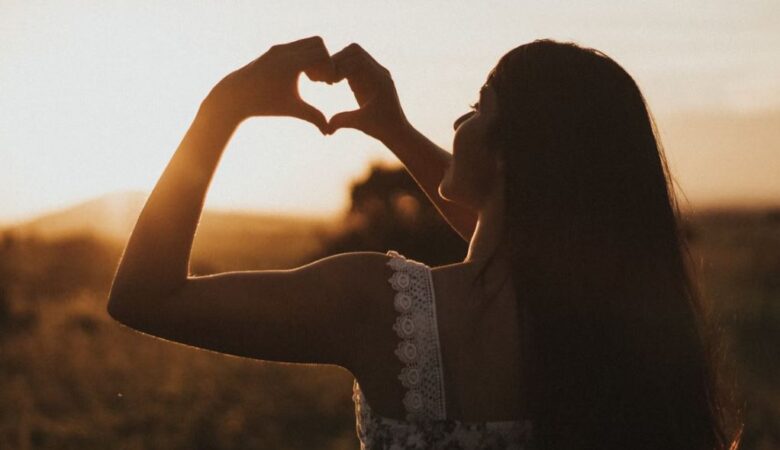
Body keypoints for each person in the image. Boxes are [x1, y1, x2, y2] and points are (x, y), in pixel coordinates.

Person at [107, 36, 741, 449]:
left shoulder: (381, 308)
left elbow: (145, 296)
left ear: (515, 155)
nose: (459, 122)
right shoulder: (622, 326)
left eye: (476, 107)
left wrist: (224, 106)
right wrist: (394, 128)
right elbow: (531, 237)